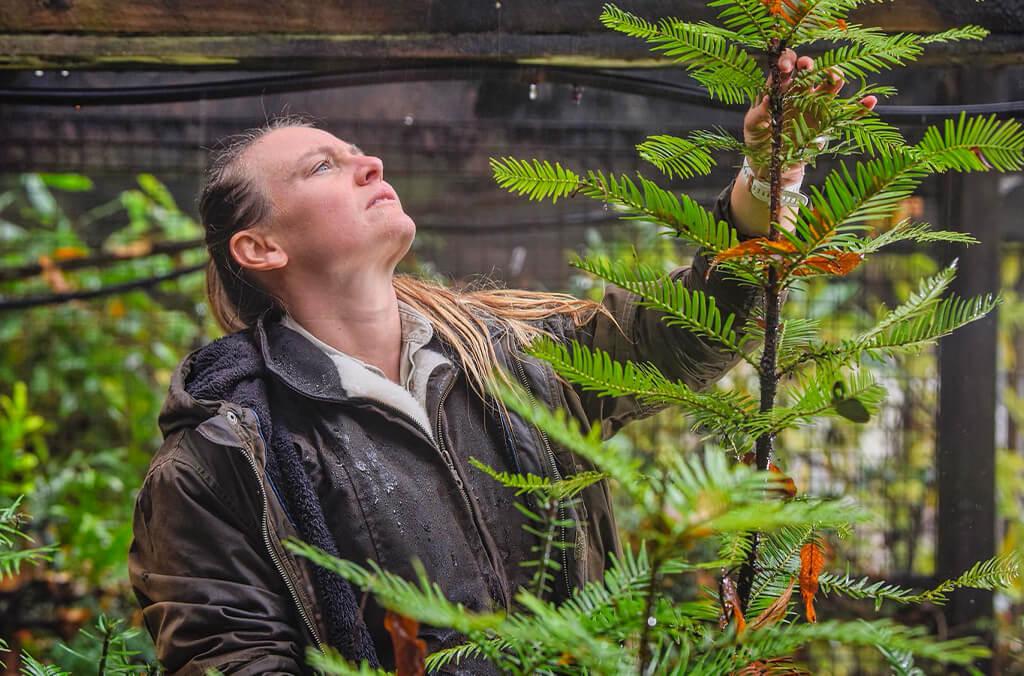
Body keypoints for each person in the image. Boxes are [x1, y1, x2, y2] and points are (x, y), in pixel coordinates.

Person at [129, 50, 875, 674]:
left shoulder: (506, 357)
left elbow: (669, 342)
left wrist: (767, 181)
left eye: (359, 154)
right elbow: (232, 659)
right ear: (261, 247)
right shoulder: (223, 458)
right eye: (324, 166)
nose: (369, 164)